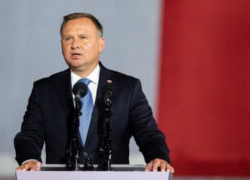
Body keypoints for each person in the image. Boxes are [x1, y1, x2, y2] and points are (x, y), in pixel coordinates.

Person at [14, 13, 174, 172]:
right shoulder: (44, 90)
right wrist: (30, 159)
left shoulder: (128, 88)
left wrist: (157, 157)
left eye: (83, 37)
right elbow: (29, 135)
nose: (74, 45)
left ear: (101, 44)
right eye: (67, 38)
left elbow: (148, 133)